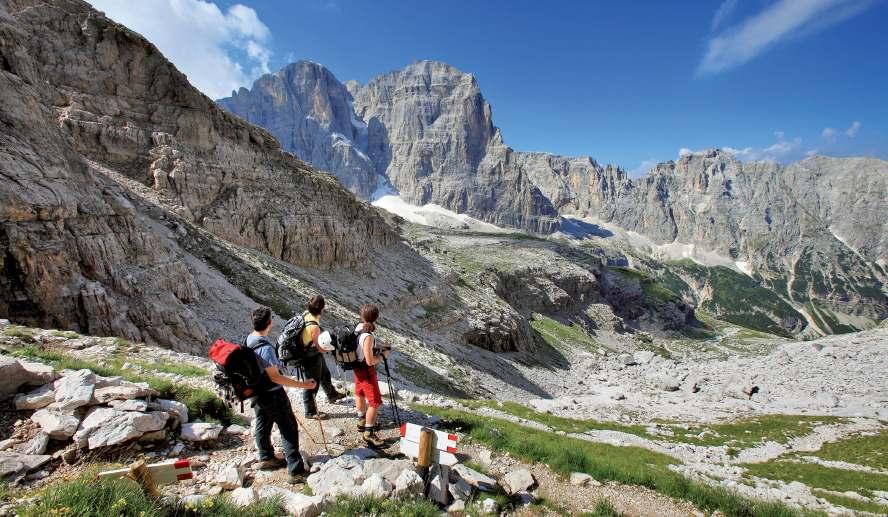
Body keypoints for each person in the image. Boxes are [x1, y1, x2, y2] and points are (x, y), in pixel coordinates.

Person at [247, 305, 316, 484]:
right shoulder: (266, 349)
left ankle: (266, 456)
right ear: (269, 323)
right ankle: (296, 470)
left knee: (263, 423)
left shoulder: (250, 339)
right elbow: (276, 377)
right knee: (288, 428)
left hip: (257, 393)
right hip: (273, 395)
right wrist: (304, 384)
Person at [299, 295, 347, 419]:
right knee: (312, 383)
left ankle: (332, 394)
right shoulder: (314, 325)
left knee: (325, 373)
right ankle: (310, 412)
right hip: (310, 355)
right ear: (321, 308)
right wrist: (331, 347)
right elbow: (319, 346)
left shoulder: (306, 314)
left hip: (310, 351)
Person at [353, 303, 388, 447]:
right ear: (376, 318)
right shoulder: (368, 336)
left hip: (357, 368)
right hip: (366, 372)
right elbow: (369, 361)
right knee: (374, 402)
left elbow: (360, 346)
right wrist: (383, 356)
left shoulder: (358, 328)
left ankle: (361, 419)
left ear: (362, 316)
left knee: (359, 393)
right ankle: (369, 432)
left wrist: (378, 347)